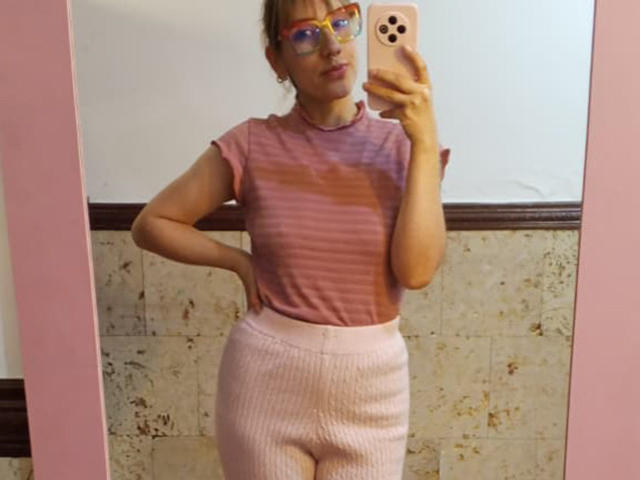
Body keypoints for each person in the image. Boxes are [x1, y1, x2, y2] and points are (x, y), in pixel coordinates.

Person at [131, 1, 450, 478]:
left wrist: (424, 140)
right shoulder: (251, 143)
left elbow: (417, 271)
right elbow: (153, 223)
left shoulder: (403, 146)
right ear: (276, 60)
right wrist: (239, 262)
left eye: (341, 22)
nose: (331, 45)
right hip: (266, 380)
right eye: (305, 34)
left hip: (373, 391)